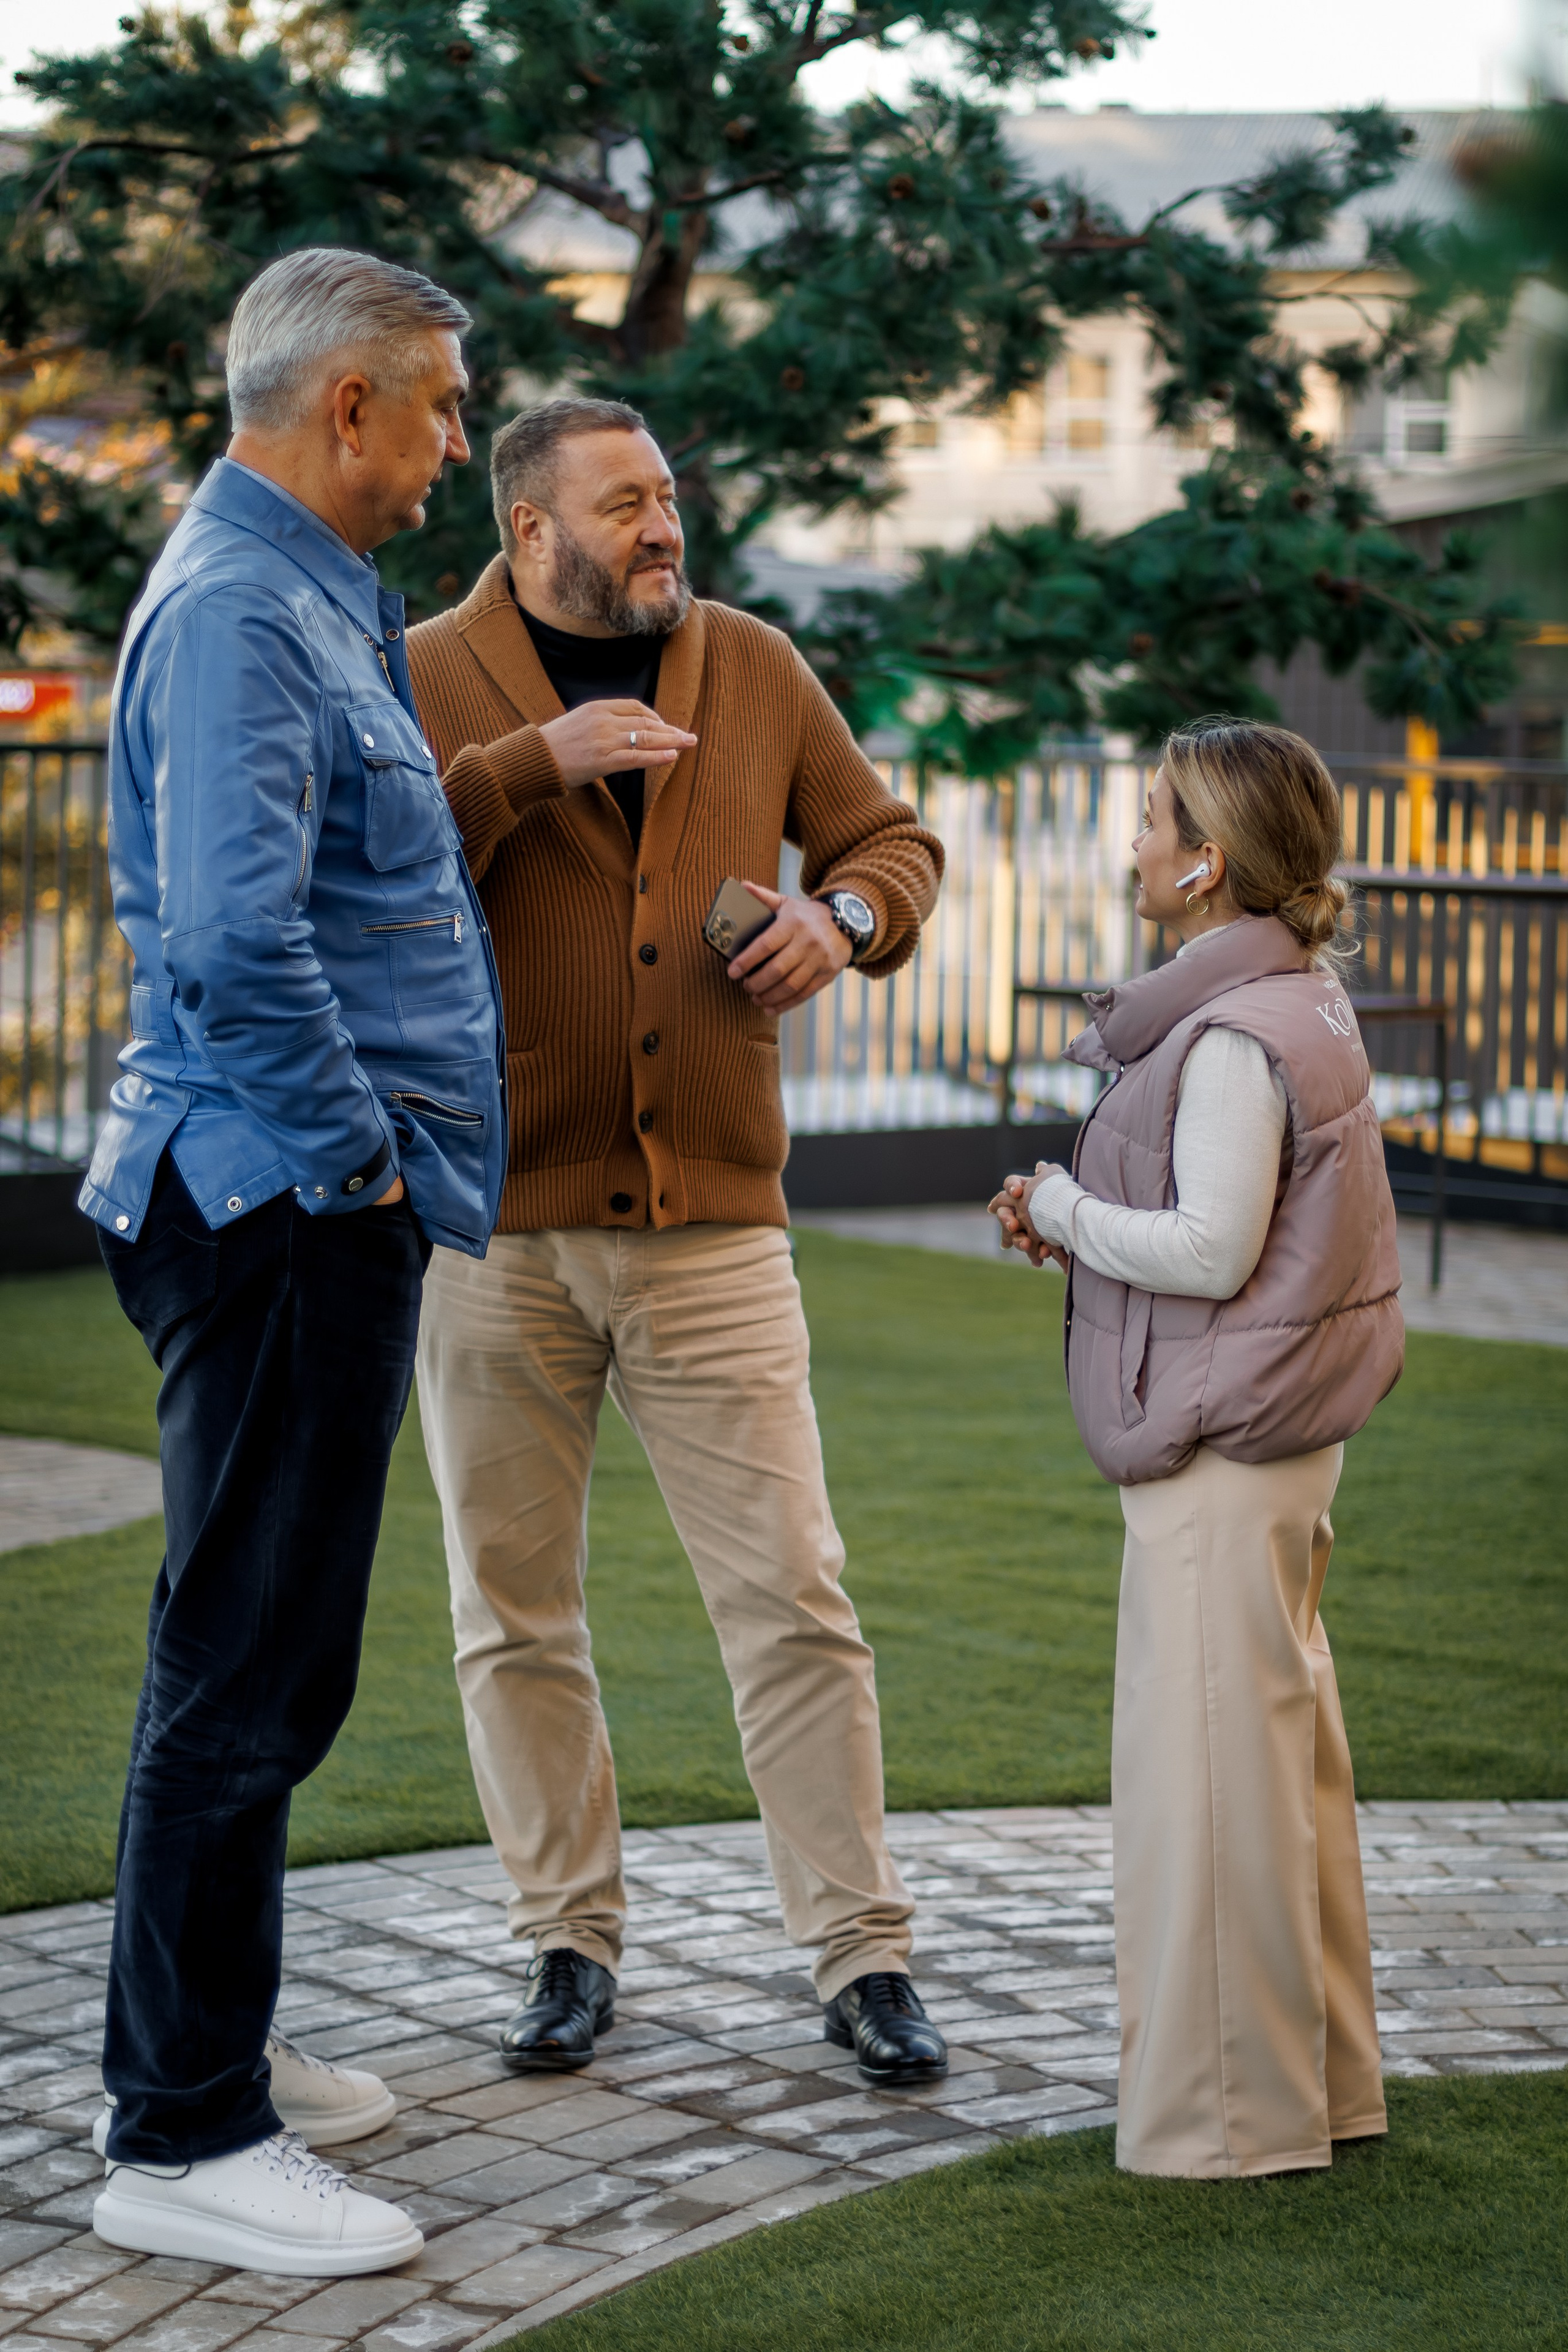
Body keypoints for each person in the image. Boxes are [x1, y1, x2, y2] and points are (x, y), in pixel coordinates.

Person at [406, 396, 951, 2087]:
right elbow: (353, 874)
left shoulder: (752, 665)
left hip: (715, 1227)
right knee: (513, 1611)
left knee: (793, 1599)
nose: (664, 528)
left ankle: (860, 1960)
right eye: (626, 505)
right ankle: (564, 1942)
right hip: (488, 1232)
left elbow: (890, 840)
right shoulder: (422, 671)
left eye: (668, 501)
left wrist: (840, 916)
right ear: (527, 531)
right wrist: (522, 770)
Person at [77, 247, 507, 2274]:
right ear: (348, 405)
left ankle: (201, 2046)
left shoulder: (299, 592)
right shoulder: (253, 609)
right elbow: (240, 950)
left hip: (271, 1199)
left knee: (246, 1661)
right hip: (278, 1207)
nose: (453, 448)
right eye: (439, 408)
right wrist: (363, 1167)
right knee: (244, 1677)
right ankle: (181, 2140)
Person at [992, 718, 1403, 2179]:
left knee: (1212, 1786)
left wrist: (1056, 1211)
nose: (1131, 845)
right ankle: (1320, 2089)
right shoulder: (1302, 1000)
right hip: (1278, 1437)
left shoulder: (1232, 1032)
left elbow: (1211, 1248)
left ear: (1203, 861)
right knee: (1280, 1774)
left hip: (1226, 1454)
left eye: (1150, 820)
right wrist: (1082, 1228)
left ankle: (1225, 2126)